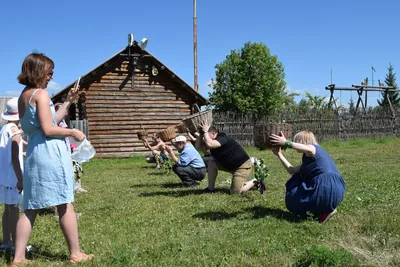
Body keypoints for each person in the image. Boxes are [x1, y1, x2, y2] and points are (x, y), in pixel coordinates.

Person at [13, 53, 93, 266]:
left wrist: (68, 101)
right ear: (38, 72)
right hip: (50, 154)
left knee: (30, 207)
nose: (51, 76)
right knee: (65, 203)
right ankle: (76, 253)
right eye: (49, 72)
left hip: (35, 155)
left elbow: (48, 121)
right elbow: (49, 129)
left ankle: (18, 257)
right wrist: (73, 133)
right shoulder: (41, 94)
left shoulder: (24, 95)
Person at [269, 131, 346, 223]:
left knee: (294, 191)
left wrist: (286, 143)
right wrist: (279, 155)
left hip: (325, 188)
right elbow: (292, 170)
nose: (294, 142)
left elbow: (309, 149)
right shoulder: (311, 158)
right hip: (337, 190)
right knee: (297, 175)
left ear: (302, 141)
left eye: (296, 140)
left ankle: (324, 208)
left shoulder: (313, 149)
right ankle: (324, 211)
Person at [198, 121, 256, 194]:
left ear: (213, 134)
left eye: (206, 135)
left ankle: (256, 181)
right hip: (229, 166)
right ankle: (210, 189)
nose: (204, 138)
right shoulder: (209, 139)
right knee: (211, 163)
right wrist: (201, 134)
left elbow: (210, 144)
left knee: (235, 192)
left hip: (241, 166)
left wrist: (205, 131)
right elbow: (198, 148)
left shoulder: (222, 137)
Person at [0, 98, 24, 251]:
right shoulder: (15, 132)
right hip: (12, 177)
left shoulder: (4, 129)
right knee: (14, 209)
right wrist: (20, 179)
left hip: (3, 176)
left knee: (7, 209)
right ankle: (16, 244)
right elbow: (14, 158)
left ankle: (6, 241)